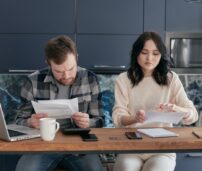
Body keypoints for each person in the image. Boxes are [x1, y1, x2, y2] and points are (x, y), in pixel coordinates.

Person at [15, 35, 104, 171]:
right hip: (42, 145)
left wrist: (88, 122)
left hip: (80, 146)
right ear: (48, 63)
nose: (67, 75)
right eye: (59, 71)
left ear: (76, 57)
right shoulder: (32, 82)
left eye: (71, 68)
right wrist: (29, 122)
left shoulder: (90, 79)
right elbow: (16, 121)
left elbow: (100, 120)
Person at [112, 32, 198, 171]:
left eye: (155, 53)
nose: (149, 58)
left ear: (161, 55)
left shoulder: (171, 79)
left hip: (162, 149)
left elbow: (193, 115)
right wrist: (134, 118)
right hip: (132, 145)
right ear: (136, 53)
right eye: (144, 52)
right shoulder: (124, 79)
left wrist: (178, 109)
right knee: (126, 168)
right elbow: (117, 117)